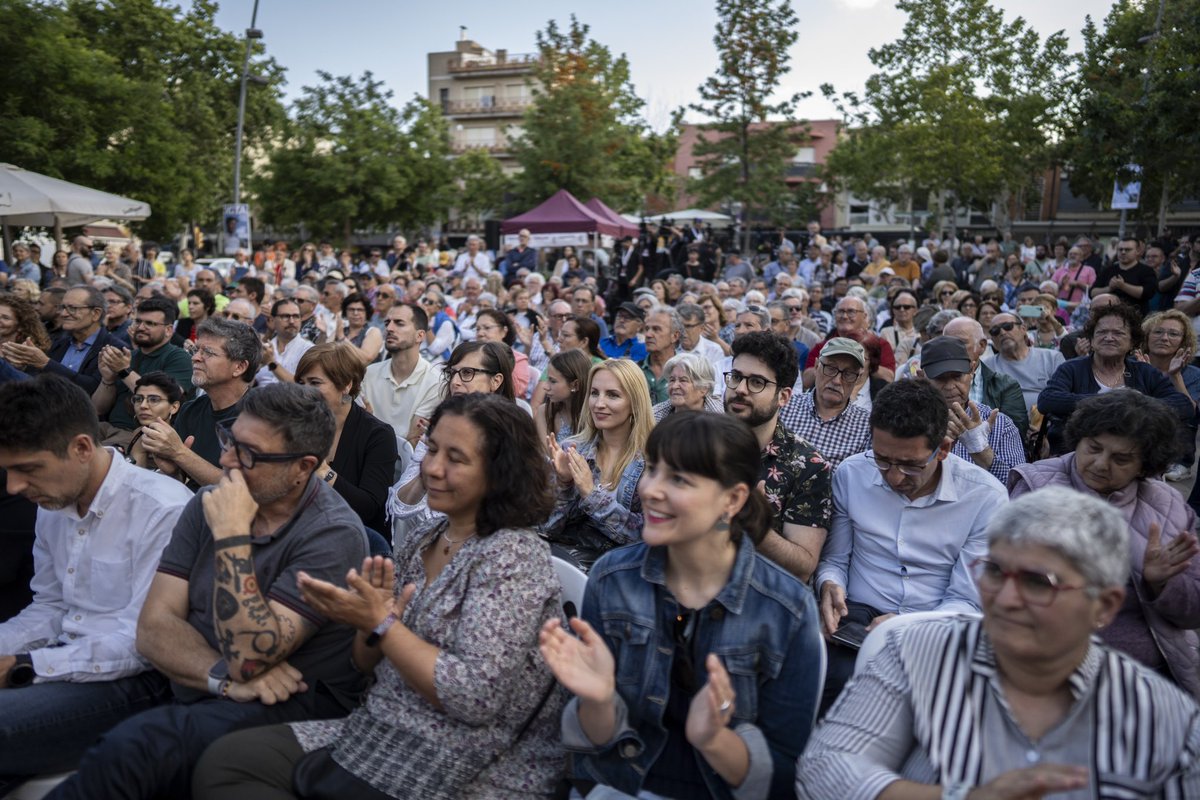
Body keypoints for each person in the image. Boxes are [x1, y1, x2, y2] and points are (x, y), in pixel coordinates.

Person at [194, 392, 567, 799]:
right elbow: (366, 664)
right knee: (226, 763)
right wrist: (366, 622)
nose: (432, 468)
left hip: (470, 761)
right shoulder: (427, 537)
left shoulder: (513, 555)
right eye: (433, 450)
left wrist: (382, 623)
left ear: (501, 473)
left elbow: (474, 696)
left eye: (456, 459)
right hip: (386, 727)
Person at [51, 383, 371, 799]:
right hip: (198, 681)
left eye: (248, 454)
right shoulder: (209, 501)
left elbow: (251, 657)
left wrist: (233, 538)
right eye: (228, 440)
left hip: (289, 703)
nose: (225, 460)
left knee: (135, 747)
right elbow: (154, 628)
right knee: (26, 722)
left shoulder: (332, 534)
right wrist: (221, 678)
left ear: (303, 467)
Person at [799, 487, 1200, 798]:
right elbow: (823, 768)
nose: (1005, 599)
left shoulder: (1166, 724)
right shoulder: (916, 651)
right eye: (994, 571)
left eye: (1035, 583)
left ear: (1104, 606)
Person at [541, 412, 824, 799]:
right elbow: (593, 747)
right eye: (652, 470)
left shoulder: (785, 610)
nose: (651, 490)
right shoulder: (613, 579)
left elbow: (782, 776)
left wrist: (714, 741)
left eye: (679, 479)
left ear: (733, 499)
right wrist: (599, 699)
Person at [0, 376, 191, 790]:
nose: (14, 487)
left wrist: (25, 667)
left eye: (27, 469)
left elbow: (143, 641)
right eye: (8, 471)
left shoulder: (163, 509)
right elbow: (51, 608)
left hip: (135, 681)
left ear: (82, 448)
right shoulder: (53, 498)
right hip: (63, 660)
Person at [817, 378, 1007, 712]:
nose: (893, 477)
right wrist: (829, 583)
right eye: (882, 459)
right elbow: (836, 558)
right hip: (858, 617)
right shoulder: (852, 474)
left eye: (911, 465)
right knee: (834, 689)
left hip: (939, 622)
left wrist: (909, 627)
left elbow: (968, 599)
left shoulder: (984, 496)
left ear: (944, 449)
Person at [1008, 392, 1200, 697]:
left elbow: (1192, 612)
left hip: (1155, 674)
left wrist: (1162, 584)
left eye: (1121, 459)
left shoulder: (1168, 506)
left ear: (1145, 465)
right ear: (1078, 440)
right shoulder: (1036, 489)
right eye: (1093, 449)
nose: (1100, 464)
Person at [388, 341, 526, 542]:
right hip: (430, 538)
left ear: (495, 381)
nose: (455, 382)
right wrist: (432, 459)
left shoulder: (513, 435)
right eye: (452, 373)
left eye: (468, 373)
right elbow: (399, 506)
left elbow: (511, 512)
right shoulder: (439, 428)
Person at [724, 331, 832, 583]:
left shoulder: (808, 465)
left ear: (783, 396)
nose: (740, 389)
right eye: (736, 377)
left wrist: (755, 525)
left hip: (761, 595)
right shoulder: (699, 441)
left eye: (757, 382)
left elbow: (804, 566)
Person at [542, 359, 653, 570]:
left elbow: (644, 536)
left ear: (635, 402)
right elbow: (547, 527)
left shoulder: (652, 461)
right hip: (565, 566)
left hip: (621, 573)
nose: (599, 404)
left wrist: (591, 494)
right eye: (594, 393)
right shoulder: (572, 449)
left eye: (612, 395)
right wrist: (564, 484)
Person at [1039, 302, 1192, 454]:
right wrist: (1111, 400)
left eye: (1118, 333)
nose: (1109, 338)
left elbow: (1183, 405)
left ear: (1132, 342)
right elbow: (1047, 400)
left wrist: (1136, 403)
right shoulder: (1072, 368)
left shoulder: (1145, 372)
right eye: (1101, 332)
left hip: (1136, 454)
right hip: (1075, 452)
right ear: (1092, 340)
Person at [140, 317, 260, 487]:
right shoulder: (191, 410)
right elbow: (182, 484)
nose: (195, 358)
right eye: (196, 350)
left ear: (239, 367)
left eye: (208, 353)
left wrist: (180, 454)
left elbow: (240, 488)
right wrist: (173, 472)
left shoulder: (261, 416)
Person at [295, 343, 398, 537]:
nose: (305, 391)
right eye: (301, 383)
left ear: (346, 384)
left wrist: (323, 470)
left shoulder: (378, 435)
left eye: (315, 383)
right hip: (303, 531)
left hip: (356, 537)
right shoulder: (296, 424)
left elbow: (369, 508)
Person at [920, 336, 1026, 484]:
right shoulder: (904, 422)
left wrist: (980, 449)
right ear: (921, 377)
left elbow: (1016, 487)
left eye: (957, 376)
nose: (950, 386)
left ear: (972, 371)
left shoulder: (1000, 424)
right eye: (940, 378)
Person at [2, 285, 118, 393]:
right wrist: (23, 367)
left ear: (96, 313)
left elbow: (94, 389)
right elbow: (35, 383)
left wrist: (45, 363)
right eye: (63, 307)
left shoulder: (114, 348)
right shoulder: (58, 343)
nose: (63, 314)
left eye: (72, 308)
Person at [779, 337, 872, 468]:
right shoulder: (785, 405)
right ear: (816, 366)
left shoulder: (866, 427)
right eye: (830, 368)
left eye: (848, 374)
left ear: (858, 379)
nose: (837, 381)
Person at [361, 303, 442, 448]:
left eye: (399, 323)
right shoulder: (369, 374)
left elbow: (413, 441)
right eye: (387, 323)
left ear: (420, 335)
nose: (389, 328)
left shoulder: (436, 382)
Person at [941, 316, 1029, 436]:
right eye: (946, 344)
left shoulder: (1005, 385)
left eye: (960, 343)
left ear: (981, 346)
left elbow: (1015, 435)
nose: (951, 350)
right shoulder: (931, 380)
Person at [1140, 309, 1200, 481]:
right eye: (1158, 332)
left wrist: (1176, 376)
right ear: (1147, 336)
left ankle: (1181, 463)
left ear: (1183, 341)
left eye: (1173, 334)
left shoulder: (1194, 374)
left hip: (1174, 440)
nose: (1164, 338)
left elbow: (1191, 412)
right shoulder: (1132, 365)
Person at [984, 310, 1064, 417]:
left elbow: (1063, 397)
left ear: (1023, 329)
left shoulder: (1052, 358)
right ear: (992, 339)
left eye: (1007, 326)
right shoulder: (987, 367)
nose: (1002, 332)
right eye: (995, 331)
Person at [121, 371, 184, 468]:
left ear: (174, 407)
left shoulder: (186, 435)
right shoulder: (139, 434)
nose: (143, 406)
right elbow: (136, 477)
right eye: (138, 399)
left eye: (154, 400)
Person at [536, 348, 591, 446]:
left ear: (575, 385)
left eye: (553, 381)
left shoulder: (594, 415)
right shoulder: (545, 412)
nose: (546, 387)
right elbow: (546, 454)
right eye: (547, 379)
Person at [474, 308, 533, 398]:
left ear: (504, 331)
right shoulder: (472, 357)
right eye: (478, 329)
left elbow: (515, 391)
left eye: (487, 328)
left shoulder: (518, 359)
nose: (480, 333)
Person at [1092, 235, 1158, 315]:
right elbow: (1092, 293)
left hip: (1137, 318)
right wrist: (1109, 288)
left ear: (1137, 251)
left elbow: (1148, 293)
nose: (1123, 252)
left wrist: (1123, 286)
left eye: (1128, 250)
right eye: (1120, 249)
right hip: (1109, 316)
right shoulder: (1108, 270)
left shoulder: (1146, 271)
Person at [256, 298, 314, 386]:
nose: (291, 321)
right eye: (285, 316)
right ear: (272, 320)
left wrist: (271, 363)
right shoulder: (265, 348)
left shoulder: (309, 350)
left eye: (296, 316)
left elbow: (303, 387)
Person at [652, 351, 723, 422]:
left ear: (704, 388)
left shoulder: (721, 418)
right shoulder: (654, 417)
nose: (674, 386)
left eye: (683, 380)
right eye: (672, 380)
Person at [341, 292, 384, 364]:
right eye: (351, 309)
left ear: (366, 312)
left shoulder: (373, 332)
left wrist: (342, 338)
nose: (355, 313)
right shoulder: (342, 330)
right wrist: (323, 333)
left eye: (360, 310)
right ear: (345, 311)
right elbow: (323, 354)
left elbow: (365, 359)